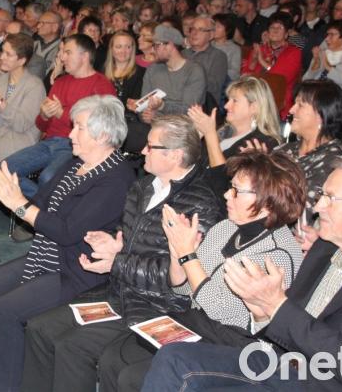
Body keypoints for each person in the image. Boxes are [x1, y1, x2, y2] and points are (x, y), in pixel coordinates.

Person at [20, 114, 225, 392]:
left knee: (73, 347)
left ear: (175, 155)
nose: (142, 151)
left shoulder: (200, 204)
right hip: (118, 293)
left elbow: (178, 275)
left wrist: (117, 262)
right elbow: (129, 236)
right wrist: (114, 243)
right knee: (39, 328)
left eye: (151, 146)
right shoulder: (142, 187)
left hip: (156, 306)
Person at [142, 158, 342, 392]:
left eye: (331, 199)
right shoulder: (323, 249)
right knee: (173, 357)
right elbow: (279, 321)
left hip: (318, 379)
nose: (318, 207)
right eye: (322, 195)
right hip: (279, 360)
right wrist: (261, 309)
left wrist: (275, 304)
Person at [0, 95, 136, 392]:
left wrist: (19, 205)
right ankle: (6, 358)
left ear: (104, 135)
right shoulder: (75, 164)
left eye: (78, 128)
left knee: (5, 310)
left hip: (78, 269)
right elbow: (41, 204)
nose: (70, 135)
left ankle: (5, 383)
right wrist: (11, 192)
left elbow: (68, 233)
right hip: (49, 255)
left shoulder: (116, 178)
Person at [3, 34, 116, 200]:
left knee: (48, 178)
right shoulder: (60, 82)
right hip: (49, 142)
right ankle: (41, 208)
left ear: (84, 56)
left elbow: (99, 128)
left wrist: (61, 114)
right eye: (62, 52)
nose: (62, 57)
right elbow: (41, 126)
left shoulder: (102, 85)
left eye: (68, 52)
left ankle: (40, 213)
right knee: (4, 169)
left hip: (75, 146)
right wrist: (44, 114)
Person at [275, 80, 342, 223]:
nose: (292, 110)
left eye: (300, 105)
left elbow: (304, 211)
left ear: (321, 115)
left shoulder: (334, 161)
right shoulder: (285, 149)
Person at [188, 76, 282, 169]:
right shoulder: (222, 131)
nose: (226, 106)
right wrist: (198, 135)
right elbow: (189, 164)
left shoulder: (263, 143)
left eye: (235, 101)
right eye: (228, 100)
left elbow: (222, 178)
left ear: (254, 107)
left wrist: (209, 134)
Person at [0, 33, 47, 163]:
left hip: (17, 147)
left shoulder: (34, 86)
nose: (2, 57)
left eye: (8, 54)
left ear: (22, 60)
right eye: (2, 52)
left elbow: (21, 124)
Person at [241, 12, 302, 120]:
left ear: (287, 33)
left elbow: (279, 79)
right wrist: (254, 60)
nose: (275, 30)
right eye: (272, 27)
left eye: (280, 27)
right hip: (254, 97)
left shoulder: (294, 52)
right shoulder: (261, 48)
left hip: (278, 102)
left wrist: (261, 59)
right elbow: (245, 74)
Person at [184, 14, 228, 107]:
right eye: (193, 29)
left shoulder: (218, 57)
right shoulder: (182, 54)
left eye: (201, 30)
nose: (194, 33)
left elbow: (213, 87)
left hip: (203, 106)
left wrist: (188, 74)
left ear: (211, 35)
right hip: (177, 103)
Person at [212, 13, 241, 82]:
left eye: (218, 26)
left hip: (224, 83)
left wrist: (216, 73)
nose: (214, 29)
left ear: (228, 30)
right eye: (213, 26)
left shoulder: (234, 49)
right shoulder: (207, 44)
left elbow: (235, 73)